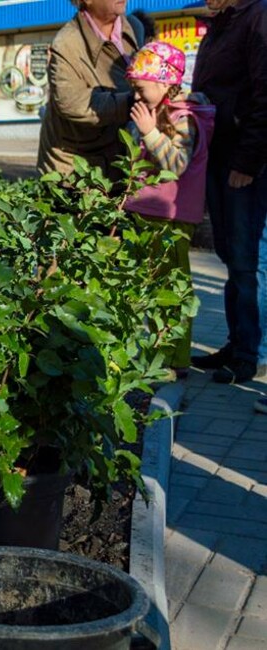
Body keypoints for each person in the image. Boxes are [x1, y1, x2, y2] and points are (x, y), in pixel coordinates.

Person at [123, 42, 215, 380]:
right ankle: (157, 354)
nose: (136, 96)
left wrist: (150, 132)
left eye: (140, 88)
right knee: (150, 288)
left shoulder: (184, 118)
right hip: (146, 212)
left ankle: (175, 360)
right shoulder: (154, 111)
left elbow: (176, 164)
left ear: (164, 84)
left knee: (172, 290)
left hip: (170, 218)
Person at [189, 0, 267, 388]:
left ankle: (251, 354)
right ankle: (237, 343)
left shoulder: (258, 16)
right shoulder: (222, 23)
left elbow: (264, 95)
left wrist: (248, 160)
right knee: (229, 256)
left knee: (247, 260)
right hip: (219, 156)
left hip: (243, 161)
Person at [37, 0, 139, 181]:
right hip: (75, 169)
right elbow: (72, 103)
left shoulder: (134, 26)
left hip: (118, 158)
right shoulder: (66, 43)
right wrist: (132, 102)